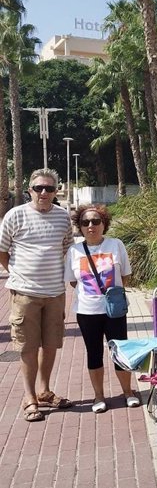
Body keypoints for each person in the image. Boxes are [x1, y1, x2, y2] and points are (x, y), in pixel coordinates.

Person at [0, 168, 74, 422]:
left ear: (55, 191)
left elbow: (66, 249)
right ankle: (29, 396)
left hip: (55, 294)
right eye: (39, 188)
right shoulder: (14, 215)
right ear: (29, 190)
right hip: (25, 294)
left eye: (49, 189)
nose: (44, 193)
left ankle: (45, 391)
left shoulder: (63, 218)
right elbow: (2, 251)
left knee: (51, 345)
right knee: (28, 347)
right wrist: (18, 274)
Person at [64, 204, 140, 413]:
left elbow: (124, 275)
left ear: (104, 224)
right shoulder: (74, 251)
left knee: (120, 350)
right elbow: (73, 282)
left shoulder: (116, 245)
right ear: (79, 227)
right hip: (87, 311)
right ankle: (99, 396)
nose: (91, 226)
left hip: (113, 310)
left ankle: (128, 392)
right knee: (94, 352)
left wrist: (110, 293)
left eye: (96, 221)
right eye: (85, 222)